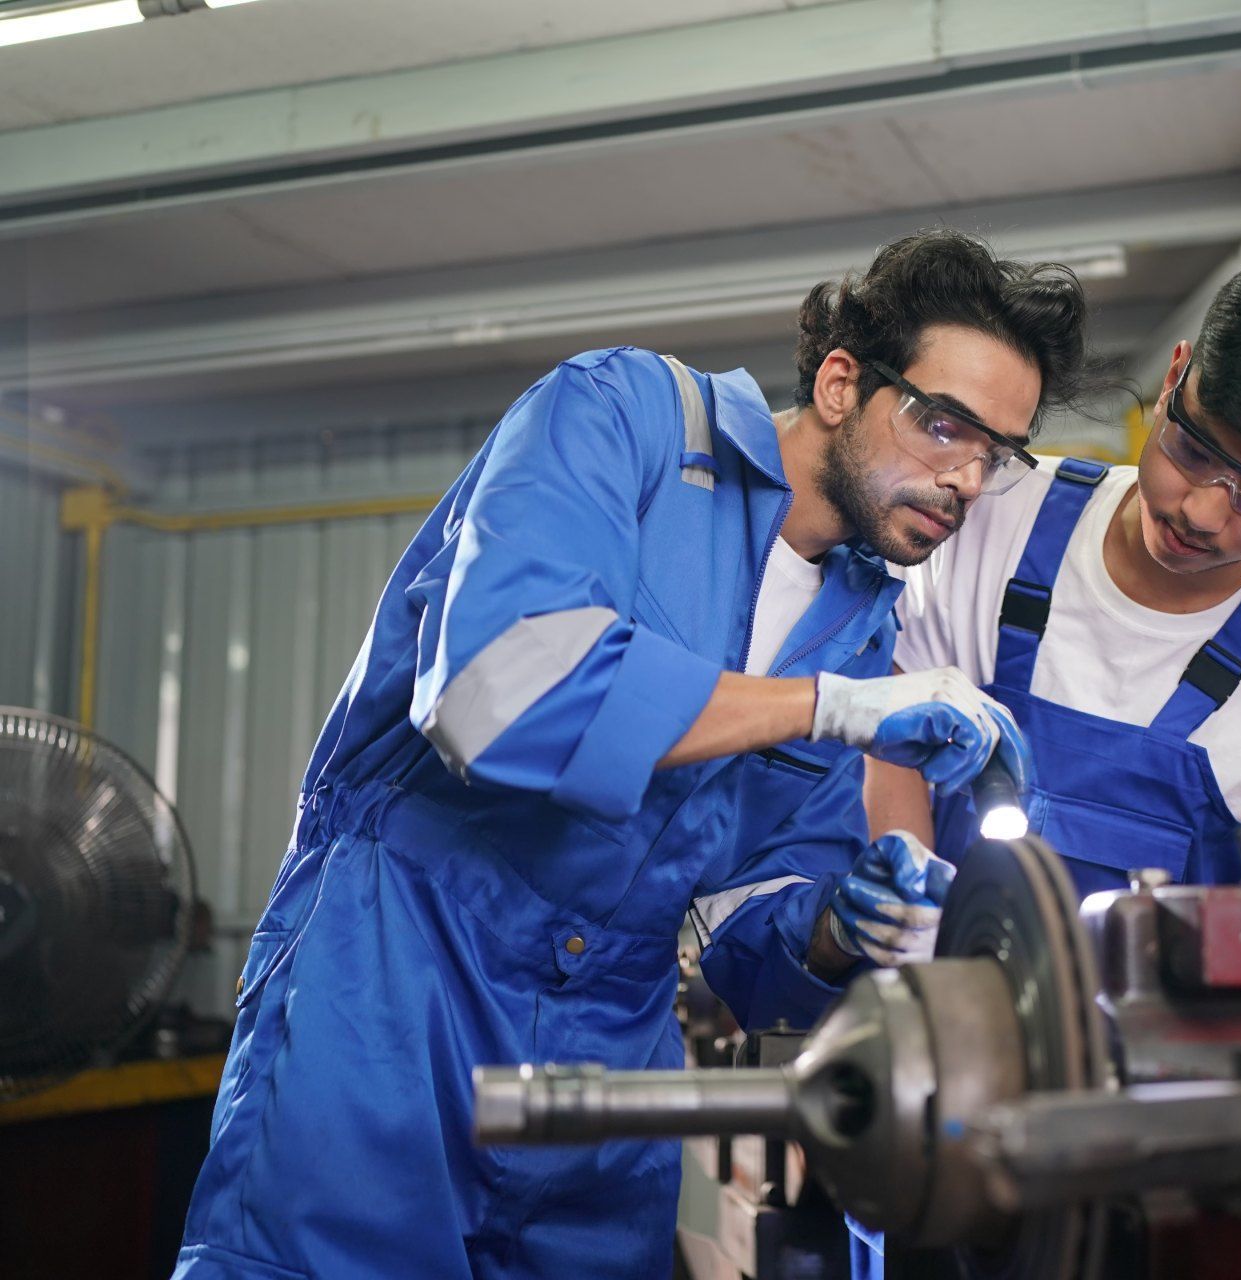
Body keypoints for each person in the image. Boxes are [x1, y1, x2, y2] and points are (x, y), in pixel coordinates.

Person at [171, 230, 1101, 1280]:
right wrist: (823, 706)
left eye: (998, 453)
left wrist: (842, 924)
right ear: (841, 382)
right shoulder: (627, 419)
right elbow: (497, 694)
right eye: (945, 426)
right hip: (398, 984)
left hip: (614, 1041)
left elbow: (739, 913)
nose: (966, 479)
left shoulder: (858, 622)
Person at [869, 250, 1241, 898]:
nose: (1202, 512)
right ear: (1173, 379)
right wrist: (910, 946)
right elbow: (889, 749)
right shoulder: (987, 509)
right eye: (1194, 451)